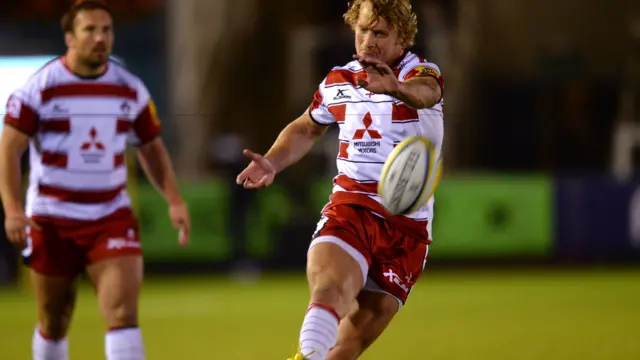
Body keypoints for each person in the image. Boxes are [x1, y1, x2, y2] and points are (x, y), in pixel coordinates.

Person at [236, 1, 444, 359]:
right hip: (353, 208)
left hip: (407, 229)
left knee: (344, 349)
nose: (369, 40)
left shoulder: (418, 73)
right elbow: (307, 125)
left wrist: (394, 88)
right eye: (363, 29)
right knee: (329, 291)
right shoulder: (338, 80)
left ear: (402, 38)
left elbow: (427, 93)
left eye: (380, 33)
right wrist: (272, 161)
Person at [0, 1, 190, 359]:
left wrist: (174, 199)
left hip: (110, 217)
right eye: (90, 30)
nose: (101, 38)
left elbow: (151, 148)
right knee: (54, 319)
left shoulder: (129, 88)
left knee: (123, 313)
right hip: (51, 219)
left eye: (107, 30)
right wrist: (12, 208)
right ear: (70, 37)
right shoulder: (40, 88)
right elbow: (9, 148)